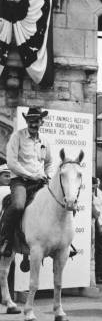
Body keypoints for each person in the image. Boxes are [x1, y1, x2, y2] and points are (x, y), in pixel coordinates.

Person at [0, 107, 55, 256]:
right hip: (20, 180)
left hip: (40, 181)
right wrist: (31, 175)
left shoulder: (45, 141)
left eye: (36, 121)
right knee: (18, 206)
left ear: (41, 122)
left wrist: (48, 175)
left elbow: (49, 162)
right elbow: (11, 163)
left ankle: (58, 241)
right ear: (26, 121)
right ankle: (5, 239)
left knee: (56, 203)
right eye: (30, 121)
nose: (33, 124)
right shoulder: (17, 137)